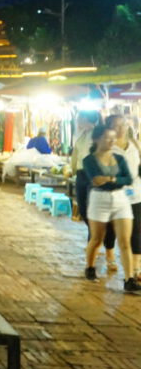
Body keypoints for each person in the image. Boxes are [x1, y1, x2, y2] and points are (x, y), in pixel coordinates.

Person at [82, 124, 139, 292]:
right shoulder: (89, 160)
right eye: (108, 138)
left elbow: (128, 179)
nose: (111, 141)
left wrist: (111, 179)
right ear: (97, 139)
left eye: (113, 138)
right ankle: (90, 267)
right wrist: (115, 179)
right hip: (99, 199)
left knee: (125, 241)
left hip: (121, 199)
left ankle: (129, 279)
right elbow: (96, 179)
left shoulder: (120, 158)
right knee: (97, 238)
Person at [70, 111, 111, 263]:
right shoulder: (81, 134)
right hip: (81, 174)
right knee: (83, 209)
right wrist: (72, 168)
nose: (78, 120)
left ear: (87, 119)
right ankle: (96, 237)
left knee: (92, 209)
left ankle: (94, 242)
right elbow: (76, 153)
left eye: (80, 118)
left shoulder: (98, 133)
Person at [109, 114, 141, 282]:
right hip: (116, 196)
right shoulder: (106, 147)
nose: (120, 129)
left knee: (136, 232)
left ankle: (136, 269)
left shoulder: (135, 144)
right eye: (116, 126)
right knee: (114, 233)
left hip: (136, 194)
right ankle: (110, 256)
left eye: (123, 125)